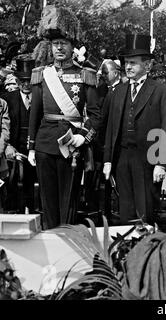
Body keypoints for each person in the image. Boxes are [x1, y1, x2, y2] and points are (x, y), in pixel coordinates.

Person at [28, 5, 101, 229]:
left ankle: (67, 245)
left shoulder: (85, 74)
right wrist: (31, 146)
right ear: (50, 47)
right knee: (47, 201)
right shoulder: (41, 74)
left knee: (68, 200)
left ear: (72, 46)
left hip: (71, 142)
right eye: (55, 44)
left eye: (64, 43)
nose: (59, 48)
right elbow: (35, 113)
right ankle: (50, 242)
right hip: (45, 143)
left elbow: (96, 114)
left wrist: (84, 137)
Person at [103, 33, 166, 225]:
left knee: (146, 210)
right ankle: (128, 250)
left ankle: (146, 250)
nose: (128, 67)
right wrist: (108, 160)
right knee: (125, 209)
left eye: (133, 63)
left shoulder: (160, 90)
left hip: (148, 159)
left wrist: (161, 162)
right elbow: (110, 129)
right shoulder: (118, 92)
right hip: (122, 158)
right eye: (126, 62)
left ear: (147, 65)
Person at [2, 55, 37, 214]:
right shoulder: (7, 99)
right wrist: (8, 146)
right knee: (12, 183)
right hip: (13, 149)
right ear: (17, 81)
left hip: (36, 149)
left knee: (34, 187)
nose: (26, 84)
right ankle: (12, 212)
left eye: (29, 80)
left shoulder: (40, 98)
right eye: (22, 81)